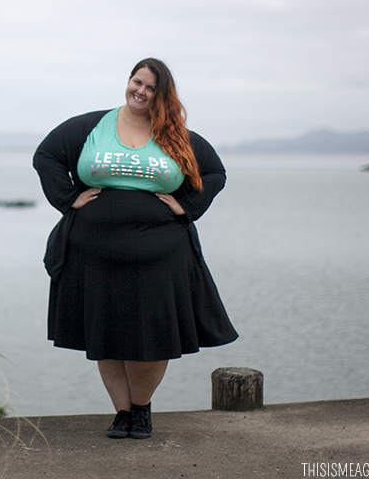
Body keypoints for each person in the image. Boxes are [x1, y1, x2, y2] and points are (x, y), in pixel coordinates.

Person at [32, 57, 238, 439]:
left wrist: (187, 206)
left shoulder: (176, 135)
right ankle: (121, 412)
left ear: (161, 95)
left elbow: (215, 173)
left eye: (150, 88)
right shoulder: (92, 126)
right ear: (128, 81)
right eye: (137, 82)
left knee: (152, 337)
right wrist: (68, 198)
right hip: (93, 252)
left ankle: (141, 410)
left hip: (160, 255)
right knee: (106, 334)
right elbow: (45, 156)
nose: (140, 91)